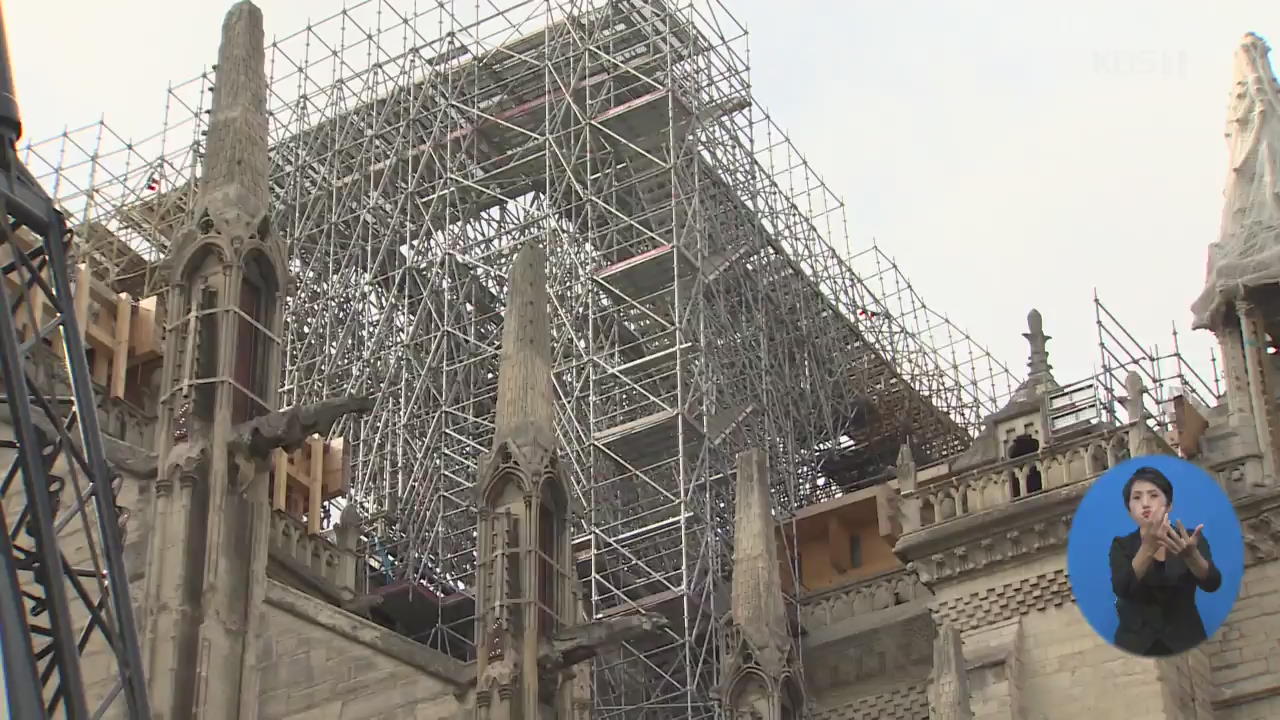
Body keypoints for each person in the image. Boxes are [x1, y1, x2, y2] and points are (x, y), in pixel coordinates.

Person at [1108, 466, 1222, 656]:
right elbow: (1122, 587)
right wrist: (1148, 547)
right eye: (1136, 498)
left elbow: (1212, 582)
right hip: (1137, 647)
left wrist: (1191, 556)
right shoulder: (1122, 545)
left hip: (1186, 643)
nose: (1145, 504)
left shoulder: (1190, 538)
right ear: (1129, 509)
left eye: (1153, 495)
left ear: (1169, 505)